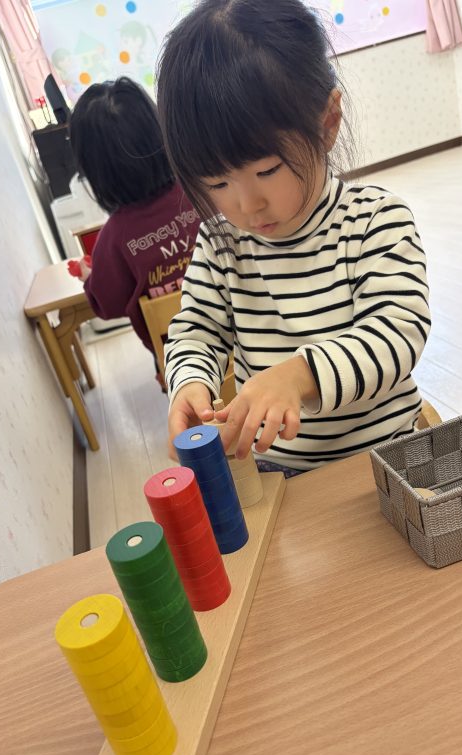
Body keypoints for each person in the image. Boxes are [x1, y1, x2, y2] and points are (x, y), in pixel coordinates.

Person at [156, 0, 431, 475]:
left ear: (327, 123)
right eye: (217, 183)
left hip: (388, 462)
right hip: (277, 475)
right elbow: (197, 330)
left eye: (267, 170)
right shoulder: (221, 245)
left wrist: (299, 375)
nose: (247, 205)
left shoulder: (374, 220)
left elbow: (397, 332)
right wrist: (190, 384)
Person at [69, 77, 200, 386]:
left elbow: (107, 305)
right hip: (248, 334)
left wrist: (89, 277)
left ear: (95, 171)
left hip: (181, 364)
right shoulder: (203, 192)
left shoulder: (113, 239)